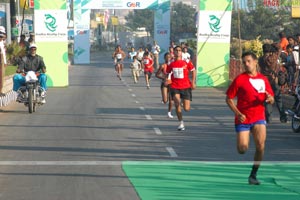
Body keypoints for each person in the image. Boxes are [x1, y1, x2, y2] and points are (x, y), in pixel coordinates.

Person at [226, 51, 274, 185]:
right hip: (243, 119)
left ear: (255, 62)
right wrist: (238, 113)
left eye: (248, 61)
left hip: (259, 117)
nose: (246, 64)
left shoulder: (263, 79)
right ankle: (247, 134)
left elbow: (271, 97)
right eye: (244, 62)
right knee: (242, 149)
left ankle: (253, 175)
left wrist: (270, 99)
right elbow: (229, 99)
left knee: (260, 146)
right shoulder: (240, 79)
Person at [165, 46, 196, 131]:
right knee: (177, 103)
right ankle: (181, 123)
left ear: (181, 52)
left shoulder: (186, 61)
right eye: (176, 50)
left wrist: (193, 82)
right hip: (175, 86)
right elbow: (167, 73)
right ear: (174, 52)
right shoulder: (170, 62)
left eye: (179, 50)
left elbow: (193, 70)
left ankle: (183, 101)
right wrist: (167, 80)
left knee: (186, 109)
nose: (178, 52)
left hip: (186, 86)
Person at [258, 43, 287, 123]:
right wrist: (274, 45)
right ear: (270, 50)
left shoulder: (260, 59)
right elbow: (279, 48)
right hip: (274, 80)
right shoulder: (273, 57)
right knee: (278, 99)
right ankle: (282, 116)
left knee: (267, 99)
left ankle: (269, 118)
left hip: (264, 81)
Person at [156, 52, 174, 118]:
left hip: (172, 84)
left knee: (171, 99)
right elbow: (157, 74)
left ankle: (169, 112)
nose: (168, 59)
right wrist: (163, 78)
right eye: (166, 57)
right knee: (165, 100)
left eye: (169, 57)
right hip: (165, 84)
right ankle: (163, 99)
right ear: (164, 58)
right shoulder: (163, 66)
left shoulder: (173, 65)